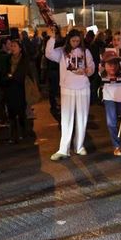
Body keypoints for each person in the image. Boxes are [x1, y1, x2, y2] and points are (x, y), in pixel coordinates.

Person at [45, 28, 95, 160]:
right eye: (73, 40)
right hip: (67, 88)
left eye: (78, 41)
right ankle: (63, 149)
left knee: (82, 117)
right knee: (66, 118)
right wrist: (52, 38)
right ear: (68, 40)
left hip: (83, 87)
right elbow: (49, 53)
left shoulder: (86, 51)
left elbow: (91, 67)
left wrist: (86, 71)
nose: (75, 43)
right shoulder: (62, 51)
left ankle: (79, 146)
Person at [0, 39, 34, 143]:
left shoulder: (24, 59)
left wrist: (11, 76)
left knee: (21, 113)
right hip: (10, 90)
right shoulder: (7, 59)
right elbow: (4, 73)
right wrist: (8, 77)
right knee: (11, 114)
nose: (12, 48)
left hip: (21, 90)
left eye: (15, 46)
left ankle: (23, 133)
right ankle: (13, 135)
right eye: (11, 46)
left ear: (20, 48)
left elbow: (22, 74)